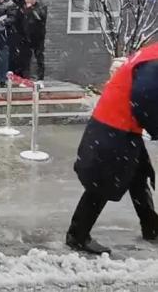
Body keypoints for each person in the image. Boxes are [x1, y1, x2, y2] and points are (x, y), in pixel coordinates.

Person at [66, 42, 158, 254]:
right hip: (114, 125)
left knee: (137, 174)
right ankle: (77, 236)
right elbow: (144, 97)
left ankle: (151, 226)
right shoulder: (154, 61)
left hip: (120, 123)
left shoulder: (152, 54)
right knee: (102, 183)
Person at [18, 0, 47, 86]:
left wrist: (31, 9)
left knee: (39, 57)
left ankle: (40, 80)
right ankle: (26, 79)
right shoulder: (24, 8)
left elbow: (40, 17)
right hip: (27, 36)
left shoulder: (41, 7)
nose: (27, 1)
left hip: (38, 36)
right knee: (25, 58)